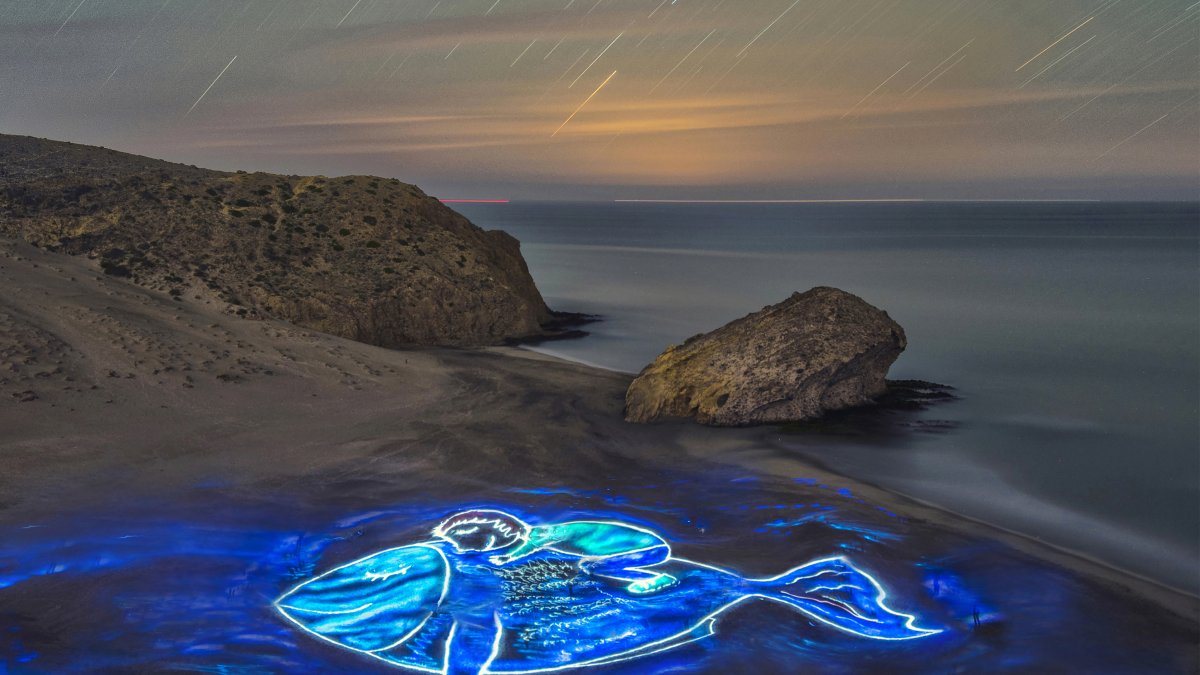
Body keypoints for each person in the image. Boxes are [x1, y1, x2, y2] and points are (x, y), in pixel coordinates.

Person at [433, 509, 678, 594]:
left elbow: (534, 544)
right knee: (588, 566)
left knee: (588, 567)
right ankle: (647, 577)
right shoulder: (543, 533)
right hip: (647, 547)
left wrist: (509, 557)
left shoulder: (543, 533)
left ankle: (653, 579)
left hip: (649, 549)